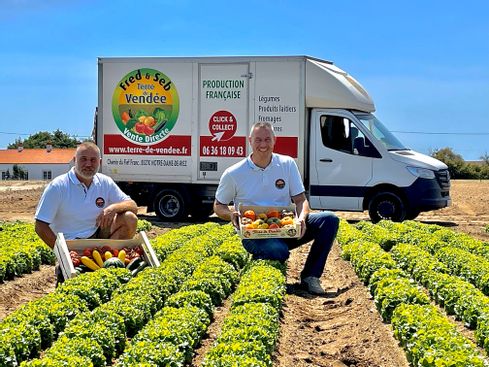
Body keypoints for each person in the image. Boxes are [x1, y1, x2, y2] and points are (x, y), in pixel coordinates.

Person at [214, 122, 339, 295]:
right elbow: (219, 206)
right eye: (258, 140)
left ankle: (311, 276)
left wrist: (301, 219)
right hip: (253, 234)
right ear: (250, 141)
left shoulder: (287, 164)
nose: (263, 145)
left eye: (267, 139)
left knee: (329, 220)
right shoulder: (234, 173)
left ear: (274, 140)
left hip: (286, 227)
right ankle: (262, 267)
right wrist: (231, 215)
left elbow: (301, 200)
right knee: (277, 249)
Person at [35, 141, 138, 282]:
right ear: (74, 160)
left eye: (93, 160)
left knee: (129, 218)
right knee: (69, 279)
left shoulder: (105, 182)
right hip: (71, 243)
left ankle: (111, 260)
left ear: (99, 162)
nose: (88, 164)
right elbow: (40, 225)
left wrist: (112, 208)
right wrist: (62, 253)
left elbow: (132, 205)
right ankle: (64, 267)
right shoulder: (58, 186)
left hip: (99, 235)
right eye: (83, 159)